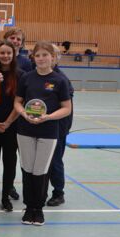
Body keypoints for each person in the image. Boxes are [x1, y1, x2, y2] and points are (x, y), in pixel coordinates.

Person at [14, 41, 71, 226]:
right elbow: (18, 102)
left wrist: (48, 117)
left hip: (48, 131)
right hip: (25, 129)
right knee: (27, 169)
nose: (41, 58)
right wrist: (24, 115)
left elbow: (66, 108)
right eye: (37, 55)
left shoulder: (60, 80)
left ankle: (38, 209)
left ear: (52, 58)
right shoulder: (26, 78)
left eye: (45, 55)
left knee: (41, 170)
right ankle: (28, 207)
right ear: (34, 58)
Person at [0, 40, 24, 212]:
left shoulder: (21, 75)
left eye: (9, 53)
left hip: (11, 126)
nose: (5, 56)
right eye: (2, 53)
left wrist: (7, 123)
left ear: (13, 55)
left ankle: (6, 196)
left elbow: (19, 102)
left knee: (10, 162)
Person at [47, 44, 74, 207]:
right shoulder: (37, 76)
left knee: (55, 161)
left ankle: (58, 193)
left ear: (56, 58)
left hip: (58, 128)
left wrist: (63, 130)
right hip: (43, 127)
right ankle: (41, 190)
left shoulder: (61, 79)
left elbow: (67, 108)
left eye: (51, 55)